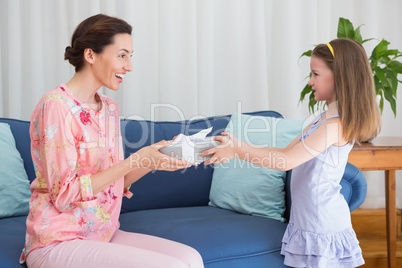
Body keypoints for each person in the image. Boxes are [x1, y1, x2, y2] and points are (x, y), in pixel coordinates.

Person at [20, 14, 204, 268]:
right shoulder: (56, 106)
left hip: (102, 234)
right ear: (91, 55)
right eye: (122, 55)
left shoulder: (108, 108)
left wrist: (153, 159)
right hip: (58, 240)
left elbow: (113, 182)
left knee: (191, 259)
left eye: (130, 56)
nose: (129, 66)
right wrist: (134, 160)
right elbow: (65, 195)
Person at [202, 38, 381, 267]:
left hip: (323, 225)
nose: (310, 81)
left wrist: (238, 150)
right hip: (308, 223)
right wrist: (238, 146)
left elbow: (286, 161)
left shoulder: (335, 126)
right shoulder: (322, 119)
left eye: (315, 74)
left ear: (340, 76)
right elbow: (286, 151)